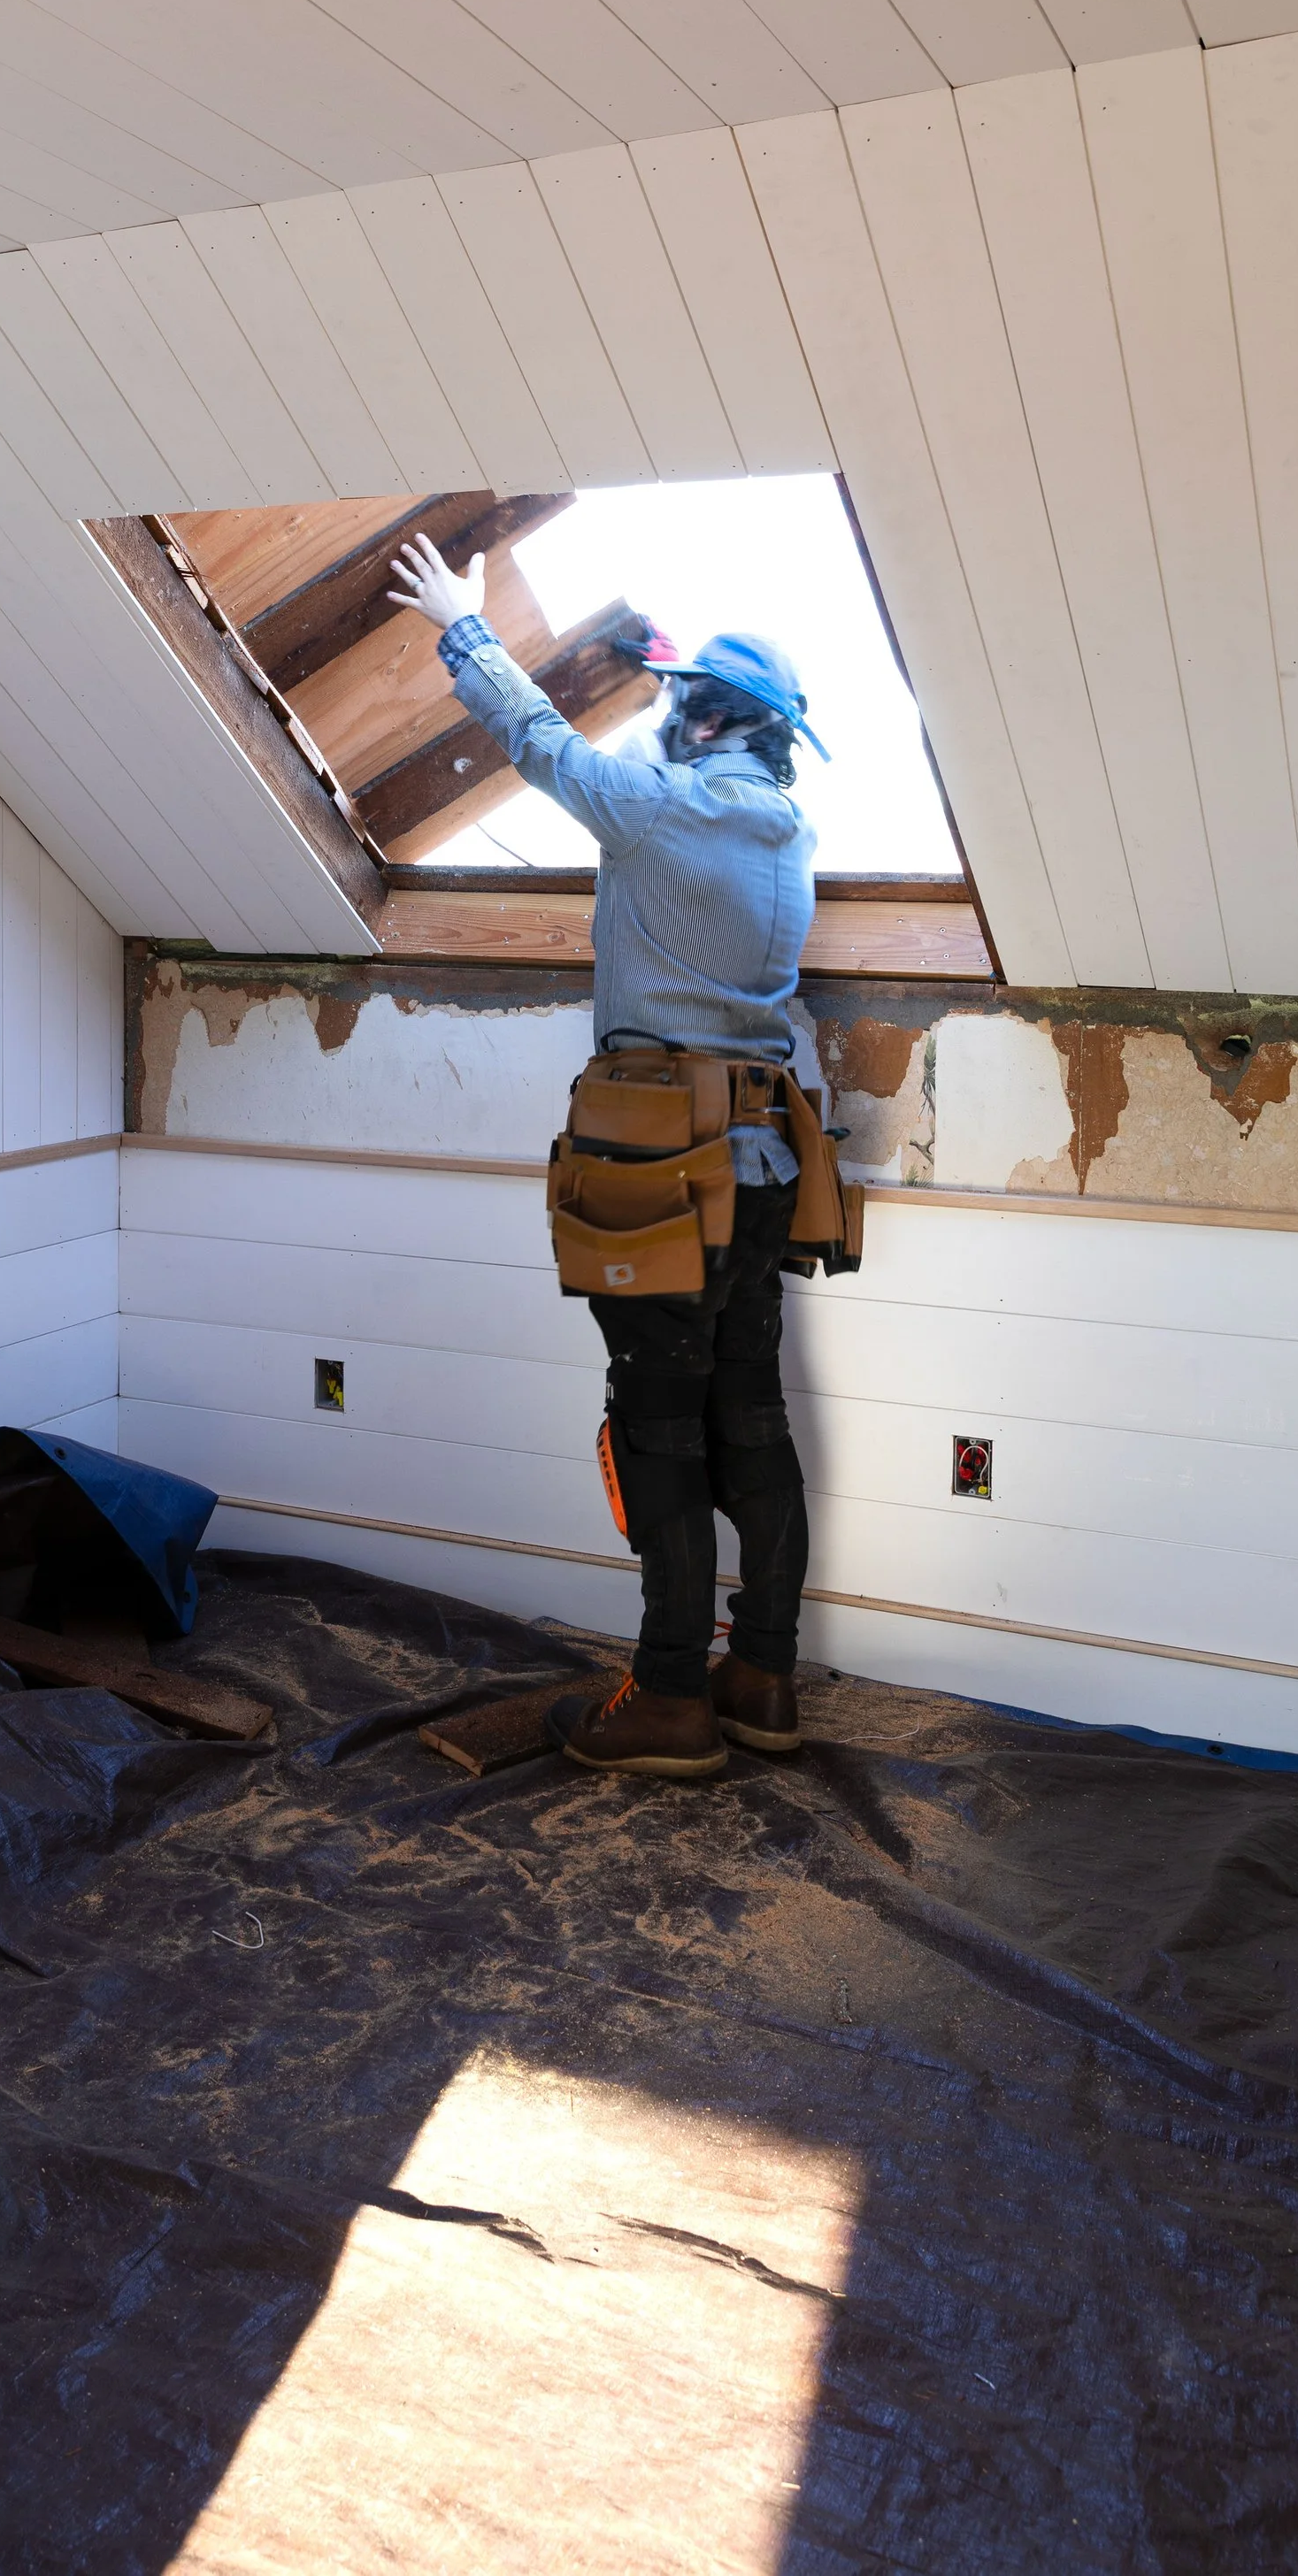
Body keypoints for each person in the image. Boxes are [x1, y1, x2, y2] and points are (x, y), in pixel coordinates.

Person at [388, 533, 823, 1785]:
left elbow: (550, 751)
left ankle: (674, 1699)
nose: (666, 712)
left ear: (708, 717)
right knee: (752, 1420)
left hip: (665, 1168)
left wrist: (466, 628)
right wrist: (678, 702)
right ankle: (767, 1676)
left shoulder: (657, 809)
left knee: (658, 1436)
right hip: (761, 1162)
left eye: (680, 699)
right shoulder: (783, 823)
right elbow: (643, 776)